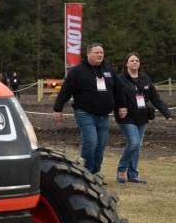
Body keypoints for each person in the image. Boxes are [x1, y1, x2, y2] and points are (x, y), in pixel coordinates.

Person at [52, 42, 127, 175]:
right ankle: (85, 173)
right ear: (88, 54)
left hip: (103, 115)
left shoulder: (108, 71)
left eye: (101, 53)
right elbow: (65, 90)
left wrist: (122, 106)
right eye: (96, 52)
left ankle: (95, 173)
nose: (100, 55)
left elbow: (118, 90)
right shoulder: (77, 71)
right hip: (84, 113)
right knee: (91, 141)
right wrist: (58, 108)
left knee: (100, 145)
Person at [114, 52, 173, 184]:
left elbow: (154, 97)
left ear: (140, 64)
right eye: (132, 60)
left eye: (137, 61)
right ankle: (122, 169)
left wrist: (166, 113)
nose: (135, 62)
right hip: (127, 117)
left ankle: (133, 175)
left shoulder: (144, 78)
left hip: (142, 116)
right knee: (134, 143)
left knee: (137, 146)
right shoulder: (120, 79)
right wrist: (119, 108)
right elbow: (114, 96)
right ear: (126, 64)